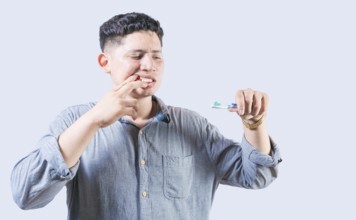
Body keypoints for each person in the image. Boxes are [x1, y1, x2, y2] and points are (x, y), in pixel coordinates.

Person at [11, 12, 282, 220]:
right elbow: (27, 195)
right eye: (137, 55)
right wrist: (93, 120)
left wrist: (254, 124)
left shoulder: (193, 126)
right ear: (105, 62)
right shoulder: (74, 120)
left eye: (157, 56)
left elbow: (256, 176)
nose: (149, 66)